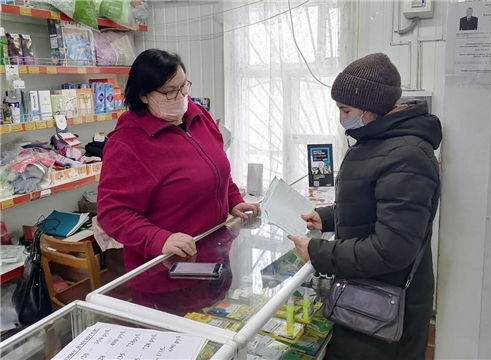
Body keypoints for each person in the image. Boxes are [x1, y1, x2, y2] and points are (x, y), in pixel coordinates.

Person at [289, 53, 442, 360]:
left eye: (345, 109)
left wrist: (318, 252)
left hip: (386, 306)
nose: (341, 117)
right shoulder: (379, 140)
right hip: (368, 297)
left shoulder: (407, 154)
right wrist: (327, 218)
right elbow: (374, 205)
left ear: (372, 109)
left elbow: (391, 249)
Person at [97, 49, 259, 291]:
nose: (181, 96)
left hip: (213, 256)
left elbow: (217, 168)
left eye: (184, 87)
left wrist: (232, 199)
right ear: (143, 96)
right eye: (170, 92)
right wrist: (158, 239)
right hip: (165, 274)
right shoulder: (128, 143)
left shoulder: (198, 115)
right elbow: (112, 214)